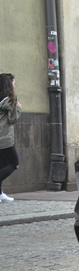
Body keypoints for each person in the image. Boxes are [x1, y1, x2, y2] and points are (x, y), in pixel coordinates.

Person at [0, 73, 21, 202]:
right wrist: (18, 108)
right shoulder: (10, 100)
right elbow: (12, 119)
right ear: (9, 85)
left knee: (2, 164)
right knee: (14, 163)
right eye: (13, 83)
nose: (14, 85)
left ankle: (0, 193)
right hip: (4, 138)